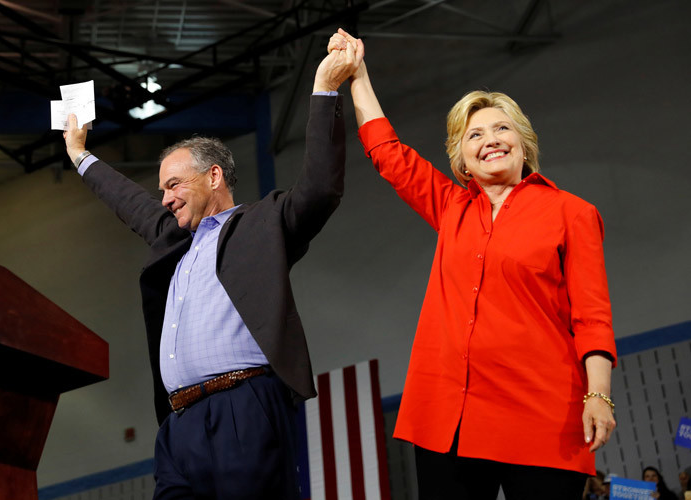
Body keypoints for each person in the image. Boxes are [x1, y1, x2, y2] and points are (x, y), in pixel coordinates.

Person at [62, 44, 361, 499]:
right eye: (162, 189)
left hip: (244, 408)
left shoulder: (264, 223)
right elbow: (128, 201)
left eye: (174, 184)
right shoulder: (173, 238)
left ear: (215, 177)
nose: (164, 198)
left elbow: (320, 187)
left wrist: (323, 89)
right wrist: (79, 153)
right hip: (178, 427)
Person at [329, 28, 617, 499]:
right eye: (474, 135)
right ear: (461, 159)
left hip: (542, 417)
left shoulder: (573, 213)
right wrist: (358, 73)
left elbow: (593, 316)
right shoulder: (450, 207)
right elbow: (387, 153)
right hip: (448, 418)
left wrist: (598, 395)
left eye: (501, 128)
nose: (490, 140)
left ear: (523, 141)